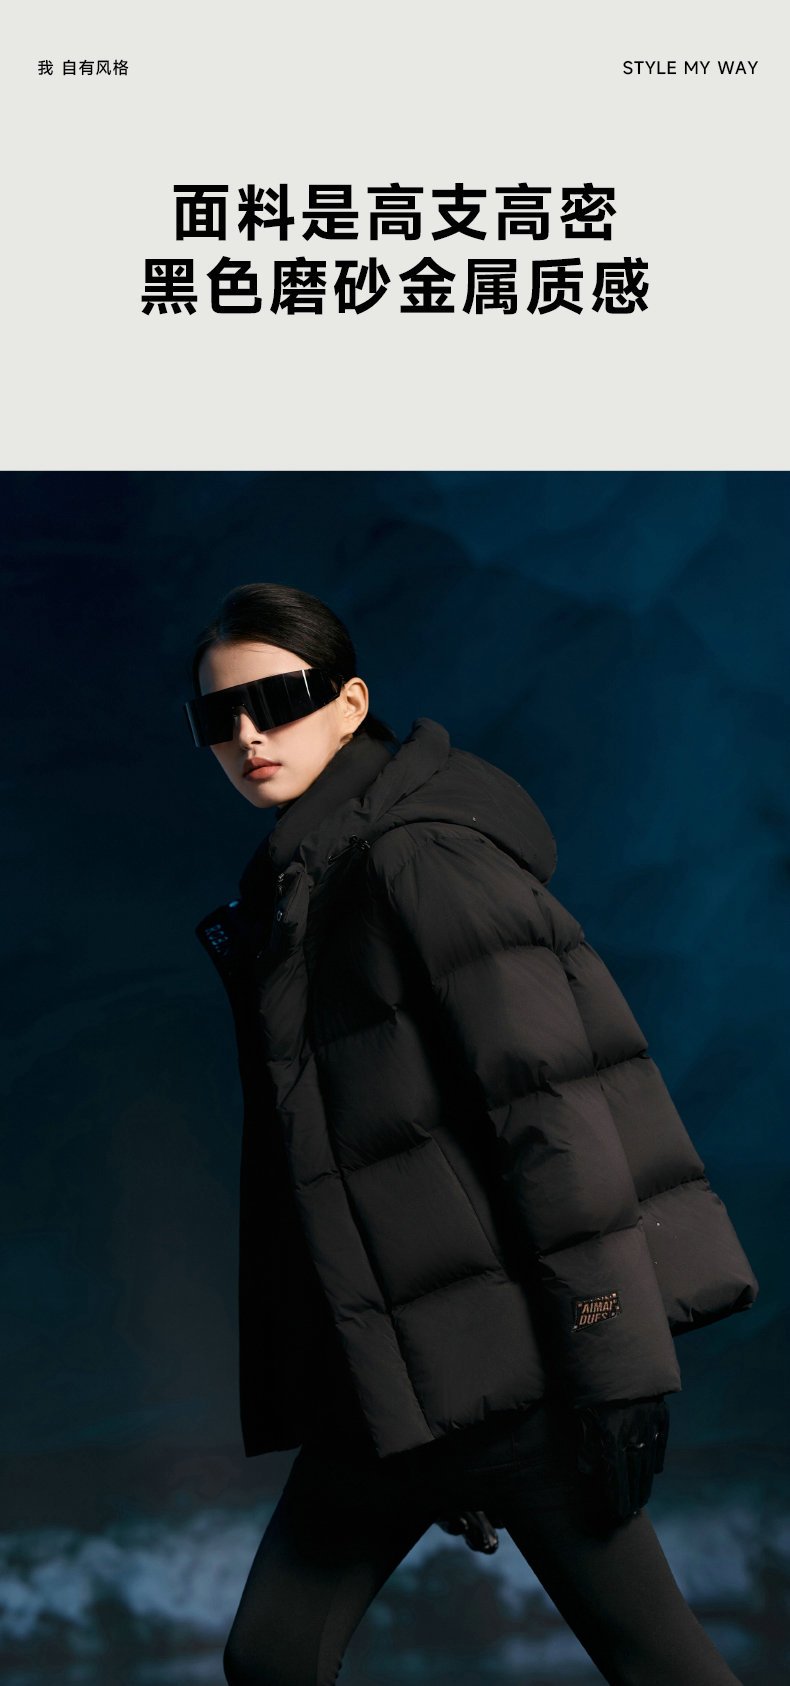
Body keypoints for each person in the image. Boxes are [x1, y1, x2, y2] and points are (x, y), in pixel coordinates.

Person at [186, 581, 758, 1686]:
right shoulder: (303, 881)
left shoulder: (417, 858)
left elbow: (551, 1111)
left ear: (350, 703)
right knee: (271, 1657)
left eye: (278, 700)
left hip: (520, 1383)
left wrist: (615, 1367)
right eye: (219, 715)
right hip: (399, 1388)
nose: (248, 734)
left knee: (660, 1664)